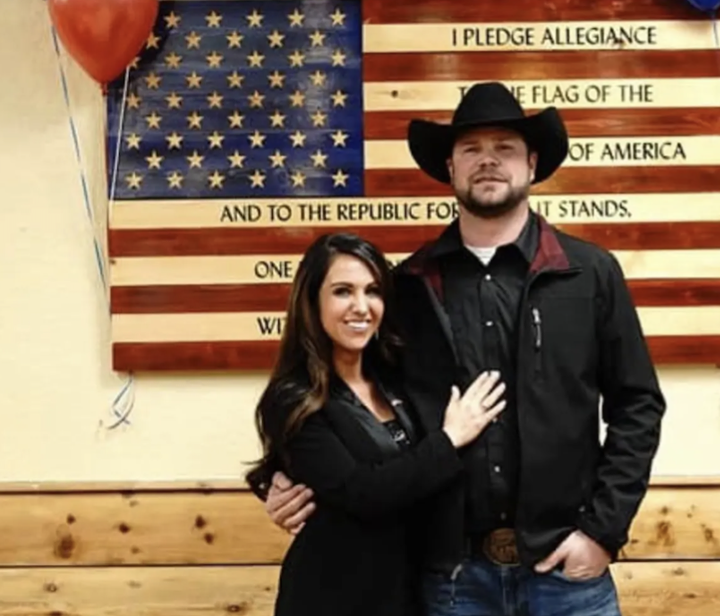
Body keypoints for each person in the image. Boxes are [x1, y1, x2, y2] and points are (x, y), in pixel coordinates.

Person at [259, 82, 667, 616]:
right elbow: (347, 401)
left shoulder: (589, 273)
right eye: (472, 149)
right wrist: (276, 477)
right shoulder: (407, 286)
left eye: (505, 148)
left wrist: (602, 531)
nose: (488, 161)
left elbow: (638, 406)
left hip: (568, 576)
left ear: (532, 163)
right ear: (450, 168)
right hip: (453, 579)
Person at [244, 232, 509, 616]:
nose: (361, 306)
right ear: (311, 300)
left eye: (373, 291)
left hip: (407, 594)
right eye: (342, 292)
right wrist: (450, 440)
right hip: (333, 597)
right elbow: (364, 493)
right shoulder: (293, 399)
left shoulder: (393, 379)